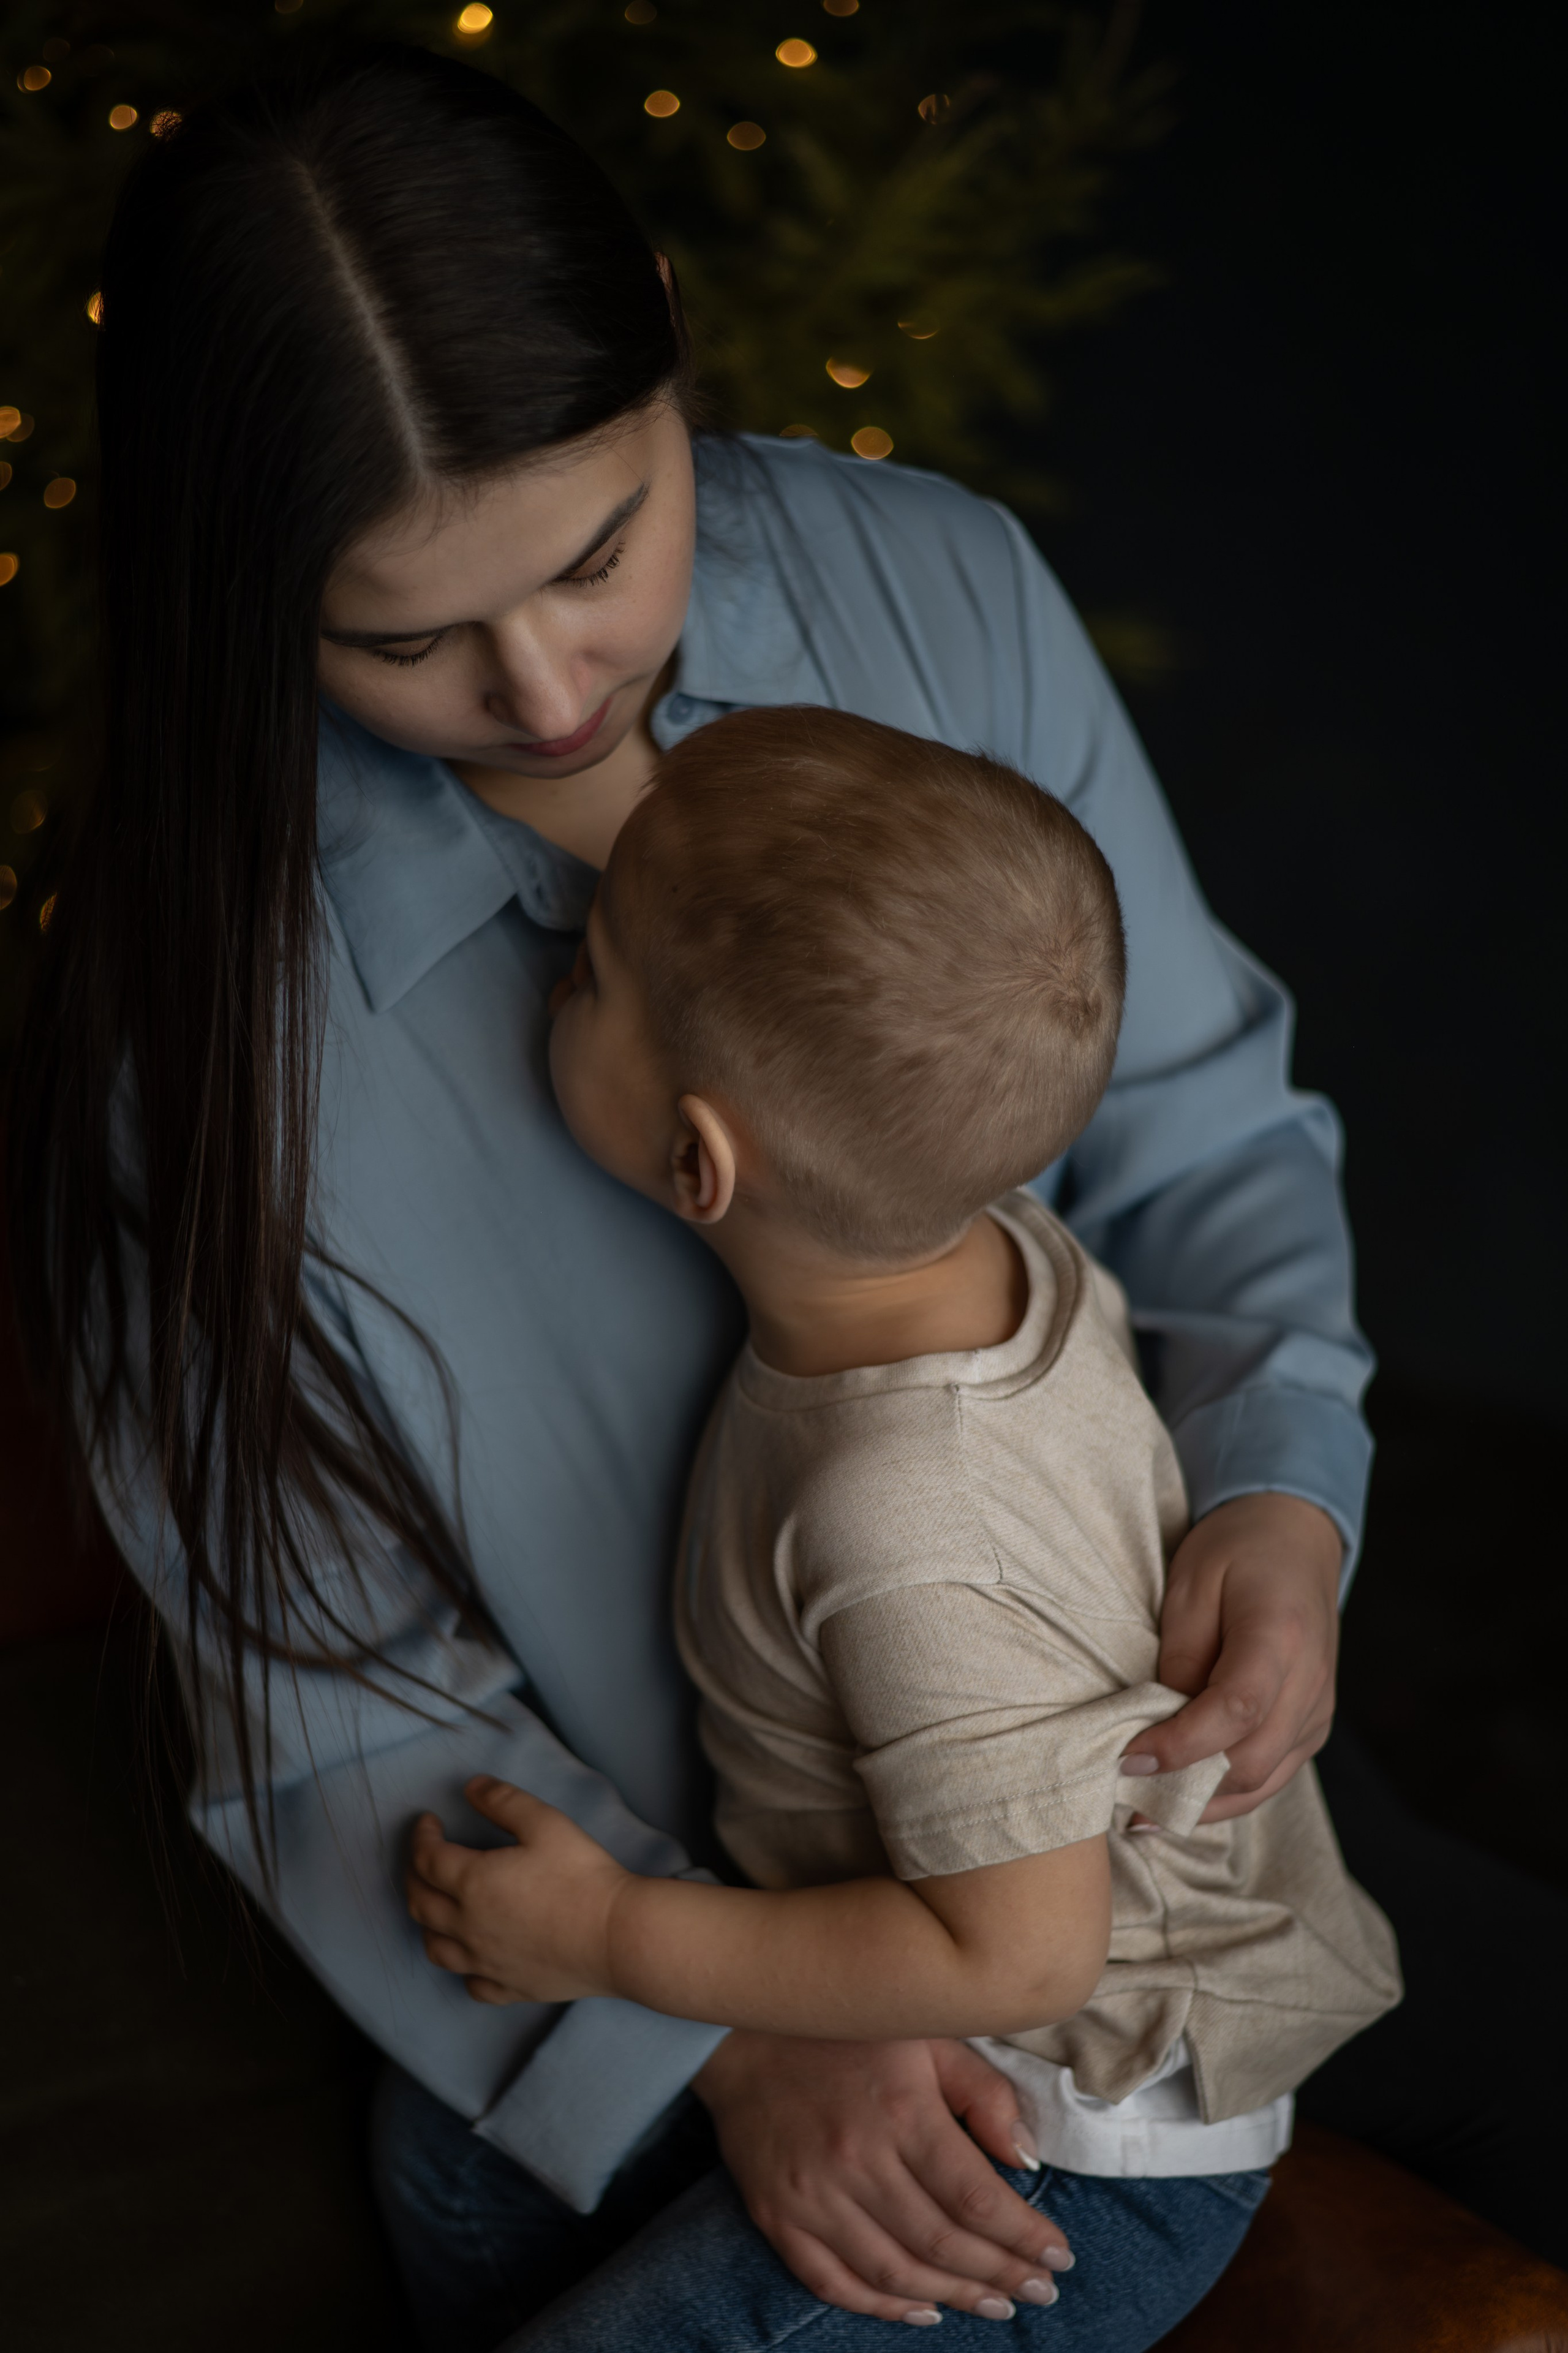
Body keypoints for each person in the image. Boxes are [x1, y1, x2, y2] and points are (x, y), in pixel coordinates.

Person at [6, 37, 1560, 2353]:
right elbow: (318, 1690)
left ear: (658, 328)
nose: (546, 688)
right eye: (402, 634)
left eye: (601, 550)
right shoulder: (182, 1006)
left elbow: (1205, 1128)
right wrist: (715, 2027)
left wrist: (1285, 1503)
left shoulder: (931, 589)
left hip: (1129, 1815)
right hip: (640, 1924)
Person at [402, 706, 1402, 2349]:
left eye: (590, 975)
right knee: (446, 2139)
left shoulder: (909, 1513)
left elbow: (1018, 1954)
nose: (552, 978)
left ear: (697, 1159)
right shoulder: (967, 1223)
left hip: (1060, 2147)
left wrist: (617, 1934)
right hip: (965, 1952)